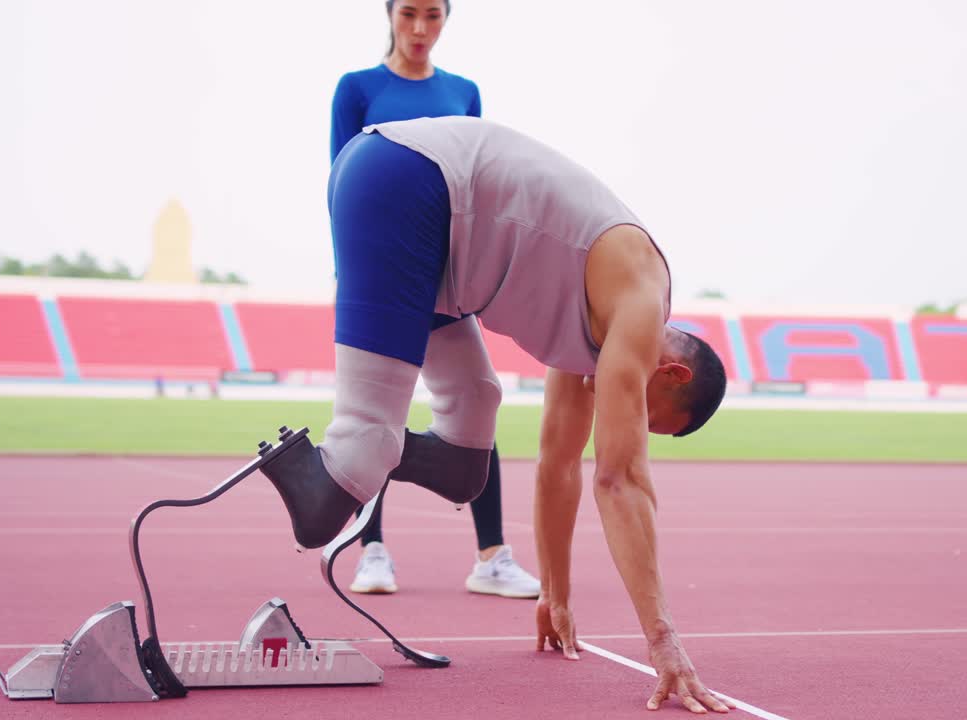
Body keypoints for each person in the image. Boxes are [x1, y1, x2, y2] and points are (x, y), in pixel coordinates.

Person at [261, 116, 732, 713]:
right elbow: (620, 479)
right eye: (647, 415)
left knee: (467, 453)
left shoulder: (600, 325)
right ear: (672, 374)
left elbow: (560, 466)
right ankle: (318, 461)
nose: (630, 419)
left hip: (436, 241)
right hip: (404, 182)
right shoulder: (638, 300)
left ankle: (369, 452)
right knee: (354, 464)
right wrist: (663, 643)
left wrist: (555, 594)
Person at [329, 0, 539, 599]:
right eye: (409, 15)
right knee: (379, 417)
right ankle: (372, 551)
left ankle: (492, 555)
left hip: (448, 278)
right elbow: (342, 178)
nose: (420, 29)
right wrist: (355, 275)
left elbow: (478, 181)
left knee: (478, 400)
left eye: (433, 16)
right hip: (382, 278)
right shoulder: (357, 88)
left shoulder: (464, 92)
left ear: (446, 20)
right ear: (389, 15)